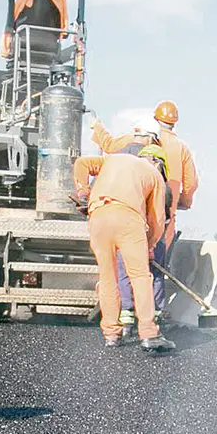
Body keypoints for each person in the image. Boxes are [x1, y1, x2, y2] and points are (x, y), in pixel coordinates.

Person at [73, 146, 176, 351]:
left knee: (108, 277)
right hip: (128, 219)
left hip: (98, 217)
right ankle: (148, 333)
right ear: (158, 163)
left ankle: (111, 334)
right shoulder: (154, 174)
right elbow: (156, 219)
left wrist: (83, 192)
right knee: (140, 277)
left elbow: (81, 163)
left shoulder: (113, 159)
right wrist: (151, 245)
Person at [152, 100, 200, 248]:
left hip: (141, 212)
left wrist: (97, 128)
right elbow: (191, 183)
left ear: (155, 119)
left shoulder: (148, 141)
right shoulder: (181, 148)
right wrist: (184, 201)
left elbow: (111, 145)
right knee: (160, 259)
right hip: (167, 213)